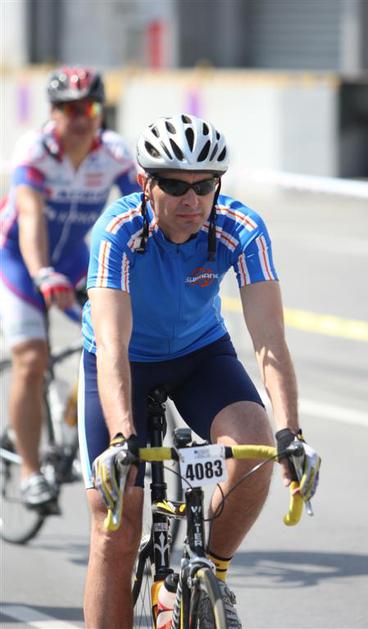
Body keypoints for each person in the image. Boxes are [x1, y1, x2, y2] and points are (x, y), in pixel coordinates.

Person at [79, 113, 321, 629]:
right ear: (145, 183)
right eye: (174, 185)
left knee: (254, 447)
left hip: (199, 355)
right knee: (115, 522)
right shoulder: (117, 231)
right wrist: (122, 439)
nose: (191, 200)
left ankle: (208, 577)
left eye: (204, 185)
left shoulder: (241, 227)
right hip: (124, 363)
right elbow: (112, 345)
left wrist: (291, 433)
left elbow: (269, 339)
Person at [0, 66, 138, 509]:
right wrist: (43, 273)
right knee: (31, 358)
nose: (80, 118)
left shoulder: (113, 152)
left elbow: (140, 209)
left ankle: (75, 430)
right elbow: (30, 218)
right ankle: (29, 473)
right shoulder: (36, 150)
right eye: (69, 109)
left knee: (117, 338)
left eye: (89, 108)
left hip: (75, 260)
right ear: (53, 112)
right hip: (19, 260)